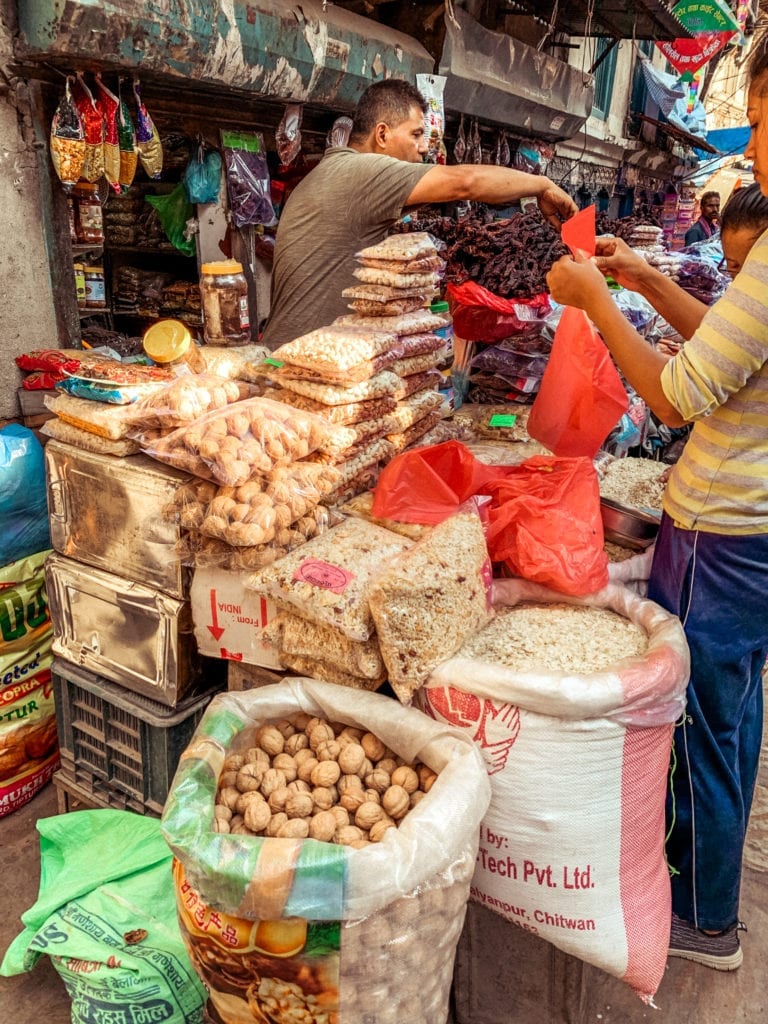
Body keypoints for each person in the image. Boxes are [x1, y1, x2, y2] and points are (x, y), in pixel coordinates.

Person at [544, 36, 768, 973]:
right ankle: (702, 887)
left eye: (762, 121)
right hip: (747, 537)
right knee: (733, 714)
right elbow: (732, 349)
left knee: (707, 727)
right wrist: (641, 282)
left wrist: (596, 300)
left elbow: (678, 396)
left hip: (725, 537)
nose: (754, 148)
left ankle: (706, 921)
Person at [261, 80, 577, 348]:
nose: (423, 147)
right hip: (304, 367)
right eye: (415, 134)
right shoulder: (362, 171)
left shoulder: (339, 172)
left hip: (307, 356)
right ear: (382, 135)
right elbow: (464, 183)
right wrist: (542, 185)